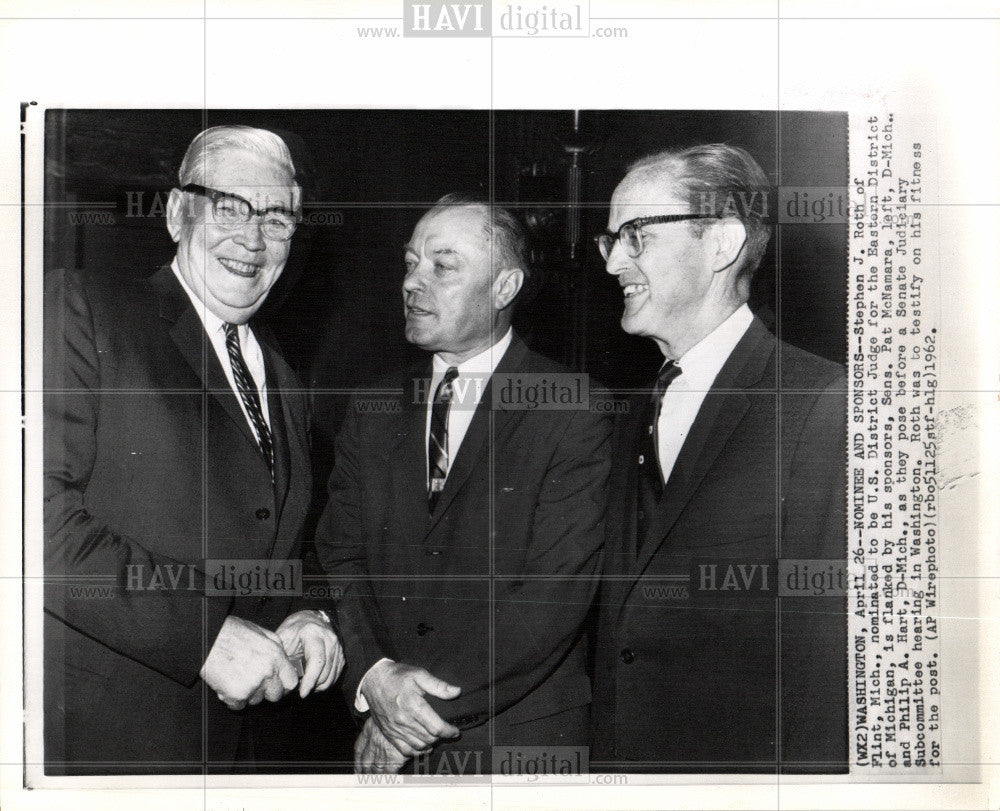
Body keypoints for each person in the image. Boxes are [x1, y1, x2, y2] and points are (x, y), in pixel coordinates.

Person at [43, 125, 343, 775]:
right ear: (179, 213)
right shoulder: (83, 310)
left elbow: (277, 544)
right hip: (101, 749)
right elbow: (27, 520)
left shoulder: (285, 380)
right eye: (230, 206)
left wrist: (306, 611)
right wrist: (201, 635)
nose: (253, 237)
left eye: (277, 217)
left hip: (239, 759)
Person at [316, 194, 612, 774]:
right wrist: (375, 677)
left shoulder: (572, 407)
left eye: (441, 266)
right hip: (382, 725)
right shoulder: (371, 404)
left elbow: (554, 598)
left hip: (515, 747)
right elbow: (338, 557)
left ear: (505, 288)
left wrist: (404, 717)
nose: (411, 282)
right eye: (409, 263)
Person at [590, 144, 848, 773]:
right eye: (610, 240)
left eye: (636, 236)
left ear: (721, 245)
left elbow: (830, 667)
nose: (613, 262)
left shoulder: (822, 404)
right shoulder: (631, 408)